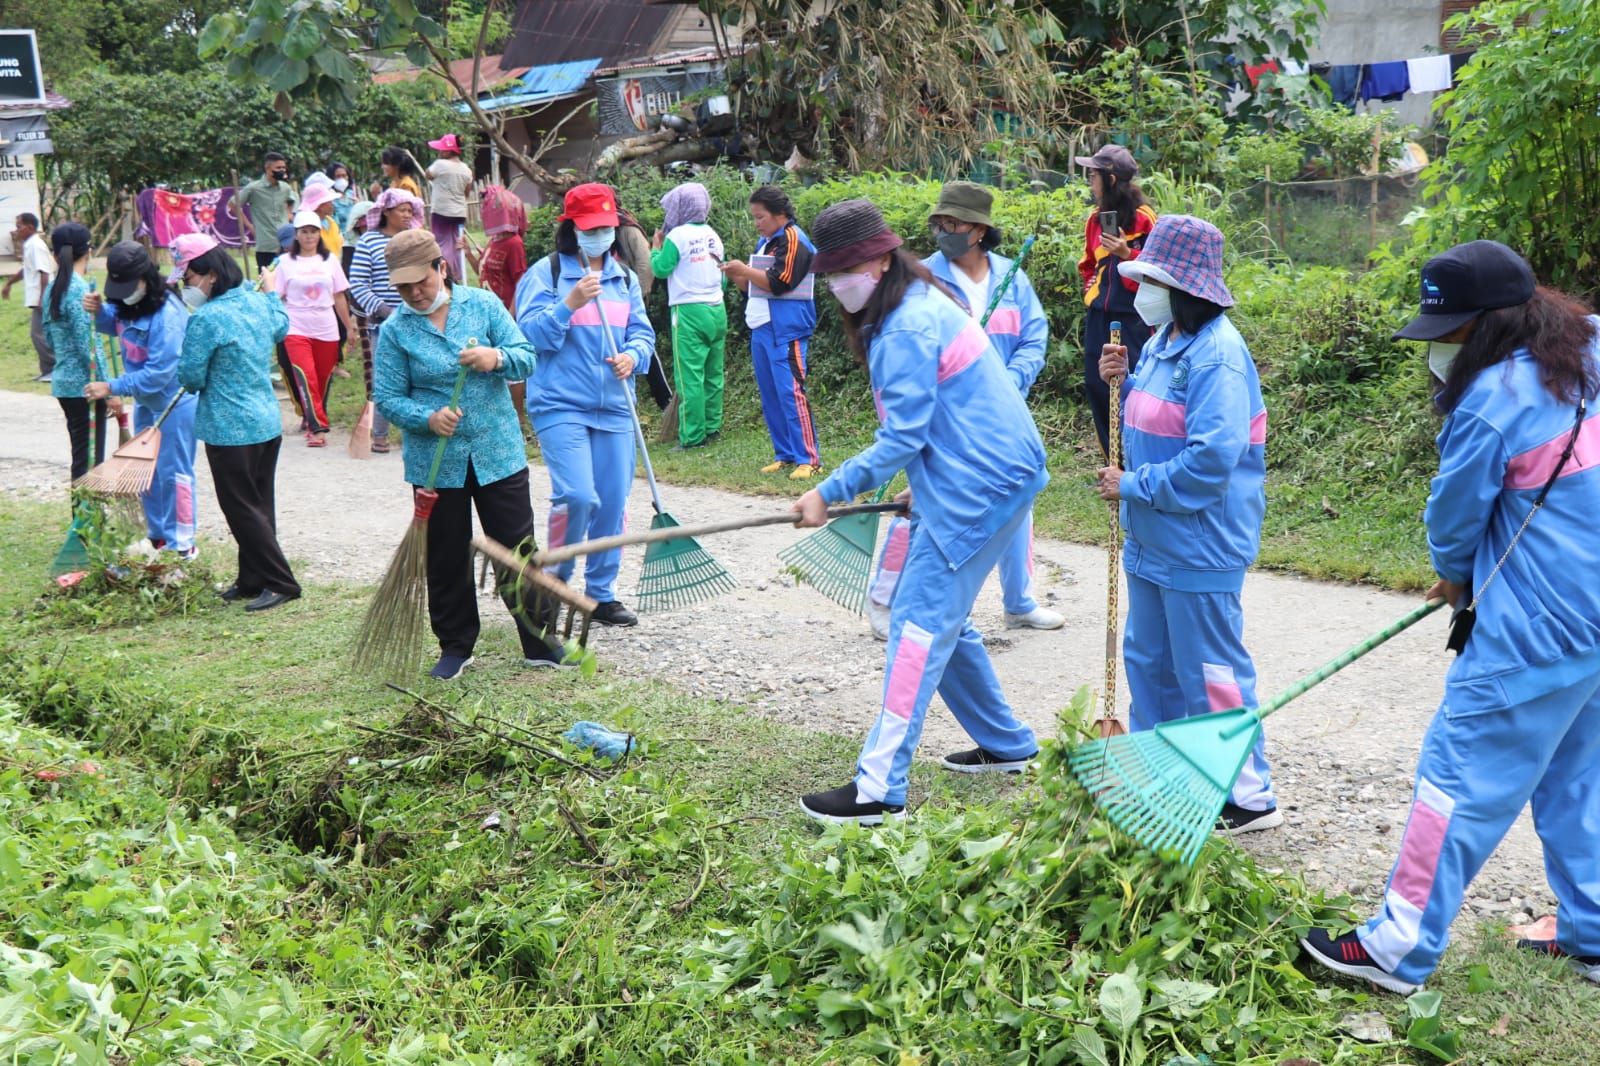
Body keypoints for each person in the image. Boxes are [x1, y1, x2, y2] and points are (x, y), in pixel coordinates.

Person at [1301, 241, 1600, 994]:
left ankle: (1397, 949)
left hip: (1538, 631)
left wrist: (1455, 576)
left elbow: (1455, 519)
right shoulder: (1591, 343)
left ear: (1491, 326)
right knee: (1576, 775)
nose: (1442, 347)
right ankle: (1592, 929)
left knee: (1454, 779)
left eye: (1453, 330)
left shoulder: (1493, 400)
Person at [791, 199, 1047, 825]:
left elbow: (903, 436)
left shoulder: (905, 323)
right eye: (828, 275)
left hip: (982, 486)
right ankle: (1006, 744)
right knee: (940, 617)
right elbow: (951, 416)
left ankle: (880, 789)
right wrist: (923, 487)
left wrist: (827, 493)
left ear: (880, 261)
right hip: (992, 473)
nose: (835, 285)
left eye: (842, 271)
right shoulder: (916, 301)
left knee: (916, 627)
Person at [1093, 214, 1276, 833]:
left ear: (1185, 288)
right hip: (1151, 538)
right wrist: (1121, 375)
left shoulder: (1219, 356)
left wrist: (1133, 486)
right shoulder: (1167, 340)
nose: (1141, 288)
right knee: (1150, 661)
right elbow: (1150, 411)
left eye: (1152, 279)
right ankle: (1166, 777)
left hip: (1200, 542)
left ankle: (1245, 796)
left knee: (1210, 671)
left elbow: (1211, 460)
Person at [864, 182, 1062, 638]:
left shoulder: (1013, 278)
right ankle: (885, 599)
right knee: (923, 504)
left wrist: (1010, 384)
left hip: (1003, 415)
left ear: (978, 230)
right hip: (944, 416)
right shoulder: (922, 279)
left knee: (1017, 497)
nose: (942, 232)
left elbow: (1035, 337)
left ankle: (1019, 601)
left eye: (951, 223)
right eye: (938, 223)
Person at [373, 229, 565, 679]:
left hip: (497, 450)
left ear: (441, 268)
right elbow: (387, 397)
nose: (415, 293)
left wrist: (494, 358)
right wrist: (427, 417)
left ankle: (540, 640)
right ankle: (456, 646)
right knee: (444, 552)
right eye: (403, 287)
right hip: (435, 461)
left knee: (516, 548)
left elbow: (526, 357)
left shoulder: (483, 305)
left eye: (421, 281)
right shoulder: (396, 330)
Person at [516, 182, 655, 629]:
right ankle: (554, 582)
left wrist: (633, 356)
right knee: (578, 496)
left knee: (612, 503)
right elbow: (529, 338)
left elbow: (643, 334)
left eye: (607, 227)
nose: (601, 235)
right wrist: (568, 304)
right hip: (560, 405)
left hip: (615, 406)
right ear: (572, 227)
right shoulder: (546, 274)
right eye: (591, 227)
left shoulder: (625, 278)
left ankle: (601, 595)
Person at [174, 241, 301, 612]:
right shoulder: (258, 301)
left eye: (190, 276)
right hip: (265, 421)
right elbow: (281, 326)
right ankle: (252, 579)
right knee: (259, 504)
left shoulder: (206, 319)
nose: (187, 285)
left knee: (241, 507)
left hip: (229, 428)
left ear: (211, 275)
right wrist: (273, 294)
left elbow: (192, 376)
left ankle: (281, 582)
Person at [83, 241, 199, 557]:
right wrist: (101, 311)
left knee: (174, 474)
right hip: (147, 404)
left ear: (145, 278)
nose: (122, 293)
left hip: (174, 404)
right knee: (147, 472)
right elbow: (118, 325)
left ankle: (183, 544)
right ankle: (158, 535)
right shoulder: (130, 303)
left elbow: (160, 372)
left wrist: (112, 386)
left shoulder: (168, 315)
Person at [720, 185, 821, 479]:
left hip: (786, 329)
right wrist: (737, 275)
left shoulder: (793, 238)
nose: (756, 223)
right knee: (771, 394)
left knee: (791, 393)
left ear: (779, 214)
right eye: (754, 217)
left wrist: (743, 269)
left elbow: (781, 282)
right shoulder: (765, 242)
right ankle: (786, 454)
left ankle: (809, 459)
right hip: (761, 328)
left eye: (760, 217)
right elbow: (754, 287)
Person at [1076, 144, 1158, 457]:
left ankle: (1139, 455)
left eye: (1094, 176)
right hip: (1099, 316)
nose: (1090, 183)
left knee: (1134, 386)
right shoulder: (1095, 220)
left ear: (1111, 180)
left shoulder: (1146, 219)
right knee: (1097, 385)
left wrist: (1126, 253)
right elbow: (1087, 265)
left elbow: (1157, 270)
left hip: (1135, 318)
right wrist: (1091, 291)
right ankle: (1114, 459)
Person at [650, 182, 727, 451]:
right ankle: (712, 427)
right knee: (713, 373)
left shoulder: (677, 236)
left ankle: (693, 437)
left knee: (689, 376)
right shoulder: (714, 235)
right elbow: (724, 276)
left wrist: (655, 247)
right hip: (717, 309)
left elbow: (660, 269)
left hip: (688, 312)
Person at [349, 189, 426, 453]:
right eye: (402, 210)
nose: (408, 215)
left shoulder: (413, 240)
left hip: (417, 320)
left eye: (410, 210)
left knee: (417, 377)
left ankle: (414, 432)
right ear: (386, 211)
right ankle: (379, 435)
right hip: (382, 324)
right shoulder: (369, 241)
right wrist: (383, 310)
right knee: (385, 379)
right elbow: (358, 283)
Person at [40, 221, 113, 482]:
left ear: (55, 254)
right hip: (87, 389)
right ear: (89, 251)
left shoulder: (51, 289)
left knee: (83, 456)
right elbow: (88, 347)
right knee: (91, 460)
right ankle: (85, 520)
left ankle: (85, 519)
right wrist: (109, 387)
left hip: (64, 383)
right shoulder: (81, 289)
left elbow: (49, 335)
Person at [275, 210, 355, 446]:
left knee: (321, 379)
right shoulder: (284, 263)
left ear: (319, 234)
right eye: (304, 232)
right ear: (296, 235)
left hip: (326, 327)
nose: (309, 236)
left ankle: (311, 419)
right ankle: (318, 429)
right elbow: (276, 297)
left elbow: (339, 296)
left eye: (313, 232)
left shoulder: (329, 260)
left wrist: (349, 328)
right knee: (305, 375)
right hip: (296, 327)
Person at [4, 212, 56, 381]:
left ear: (30, 227)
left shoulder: (36, 245)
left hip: (42, 298)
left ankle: (53, 369)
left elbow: (44, 272)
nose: (16, 230)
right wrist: (9, 283)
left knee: (38, 334)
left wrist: (43, 298)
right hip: (38, 298)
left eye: (19, 226)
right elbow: (26, 271)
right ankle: (48, 370)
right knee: (40, 334)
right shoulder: (30, 245)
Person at [235, 152, 298, 271]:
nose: (282, 170)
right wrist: (249, 225)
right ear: (267, 168)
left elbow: (292, 200)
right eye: (278, 168)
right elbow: (233, 204)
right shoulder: (254, 188)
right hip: (266, 244)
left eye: (283, 168)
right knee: (265, 280)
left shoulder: (285, 188)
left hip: (285, 245)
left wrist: (288, 214)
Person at [425, 133, 473, 281]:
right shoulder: (466, 169)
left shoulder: (440, 165)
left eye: (441, 149)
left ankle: (446, 276)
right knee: (456, 245)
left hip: (441, 212)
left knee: (441, 245)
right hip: (459, 212)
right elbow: (466, 191)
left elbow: (428, 175)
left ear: (447, 151)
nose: (439, 152)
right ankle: (458, 275)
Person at [327, 161, 358, 234]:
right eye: (338, 176)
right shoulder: (329, 199)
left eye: (344, 176)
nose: (342, 179)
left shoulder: (351, 195)